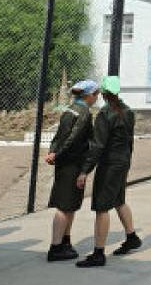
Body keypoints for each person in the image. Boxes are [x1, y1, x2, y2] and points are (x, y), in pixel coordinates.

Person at [75, 76, 139, 268]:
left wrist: (85, 170)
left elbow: (98, 145)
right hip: (123, 161)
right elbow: (129, 140)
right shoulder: (128, 111)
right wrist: (126, 159)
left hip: (110, 164)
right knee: (119, 200)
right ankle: (132, 237)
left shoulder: (105, 114)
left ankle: (98, 253)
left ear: (103, 93)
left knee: (101, 207)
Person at [46, 80, 98, 262]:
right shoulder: (84, 113)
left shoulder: (69, 109)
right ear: (89, 95)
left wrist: (53, 152)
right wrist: (58, 154)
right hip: (73, 164)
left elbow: (58, 136)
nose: (97, 98)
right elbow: (72, 138)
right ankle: (55, 247)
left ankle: (65, 241)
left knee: (70, 205)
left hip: (64, 163)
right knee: (64, 206)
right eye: (96, 94)